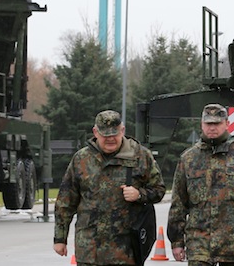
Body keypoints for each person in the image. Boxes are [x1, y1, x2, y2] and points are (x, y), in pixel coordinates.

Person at [54, 110, 166, 265]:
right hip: (89, 249)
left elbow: (159, 190)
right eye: (105, 135)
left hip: (125, 251)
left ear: (123, 130)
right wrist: (60, 238)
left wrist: (139, 195)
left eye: (115, 134)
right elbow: (65, 201)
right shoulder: (81, 159)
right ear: (95, 132)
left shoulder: (141, 156)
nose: (111, 139)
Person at [168, 103, 234, 266]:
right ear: (202, 125)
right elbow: (178, 204)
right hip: (200, 245)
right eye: (209, 123)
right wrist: (176, 241)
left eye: (217, 123)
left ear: (226, 124)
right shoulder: (188, 159)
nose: (212, 128)